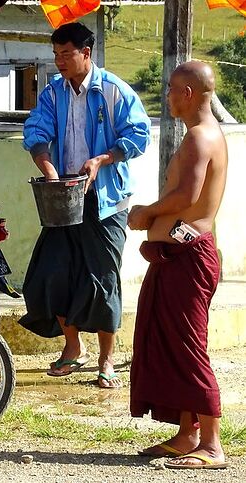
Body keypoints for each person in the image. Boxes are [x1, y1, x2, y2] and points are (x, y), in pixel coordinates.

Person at [19, 22, 151, 388]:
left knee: (103, 276)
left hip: (106, 200)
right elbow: (36, 132)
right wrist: (49, 170)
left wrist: (101, 159)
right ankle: (73, 348)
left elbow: (138, 136)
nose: (60, 61)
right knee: (52, 272)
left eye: (67, 54)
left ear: (86, 53)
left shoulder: (114, 91)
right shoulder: (52, 94)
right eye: (56, 55)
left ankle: (106, 360)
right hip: (63, 197)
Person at [128, 61, 228, 469]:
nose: (167, 95)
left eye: (171, 89)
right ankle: (187, 435)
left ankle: (212, 444)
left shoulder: (201, 139)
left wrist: (146, 213)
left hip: (191, 259)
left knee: (188, 347)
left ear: (188, 93)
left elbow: (187, 196)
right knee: (167, 342)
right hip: (177, 258)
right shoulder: (199, 137)